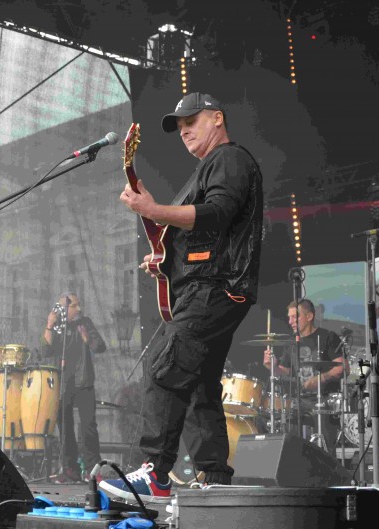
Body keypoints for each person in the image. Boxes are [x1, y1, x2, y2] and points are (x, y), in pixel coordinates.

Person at [102, 92, 263, 502]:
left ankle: (155, 473)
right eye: (179, 126)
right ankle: (215, 480)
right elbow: (200, 238)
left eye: (192, 121)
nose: (184, 131)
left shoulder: (229, 159)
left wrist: (154, 210)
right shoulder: (205, 171)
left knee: (165, 367)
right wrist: (163, 260)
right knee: (197, 385)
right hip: (211, 286)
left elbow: (217, 214)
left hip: (215, 286)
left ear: (218, 118)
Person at [263, 299, 344, 453]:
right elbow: (285, 372)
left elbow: (342, 367)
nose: (290, 321)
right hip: (299, 399)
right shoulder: (291, 342)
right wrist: (272, 366)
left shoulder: (328, 337)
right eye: (289, 317)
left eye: (295, 317)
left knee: (325, 444)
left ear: (309, 316)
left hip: (324, 398)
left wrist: (320, 378)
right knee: (286, 430)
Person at [41, 292, 106, 483]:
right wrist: (49, 325)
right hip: (64, 382)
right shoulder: (57, 326)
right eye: (74, 306)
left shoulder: (85, 322)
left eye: (78, 305)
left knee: (88, 427)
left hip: (84, 381)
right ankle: (70, 469)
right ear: (64, 309)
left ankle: (92, 469)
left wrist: (87, 339)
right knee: (65, 427)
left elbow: (100, 346)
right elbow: (45, 350)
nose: (78, 309)